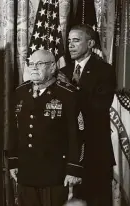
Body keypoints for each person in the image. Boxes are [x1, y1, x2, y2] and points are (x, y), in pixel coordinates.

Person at [8, 49, 83, 206]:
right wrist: (13, 161)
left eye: (40, 64)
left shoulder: (68, 94)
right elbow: (14, 130)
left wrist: (74, 168)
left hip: (55, 173)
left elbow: (76, 134)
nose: (34, 68)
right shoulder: (21, 92)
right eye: (31, 63)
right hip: (26, 171)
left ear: (52, 67)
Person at [60, 24, 116, 206]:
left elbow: (99, 107)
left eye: (76, 40)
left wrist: (69, 89)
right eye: (69, 41)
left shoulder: (105, 71)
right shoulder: (63, 72)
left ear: (90, 43)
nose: (70, 45)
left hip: (96, 153)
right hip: (68, 155)